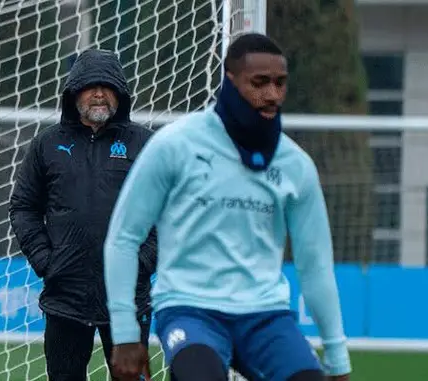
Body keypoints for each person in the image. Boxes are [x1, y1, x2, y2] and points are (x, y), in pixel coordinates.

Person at [103, 33, 351, 381]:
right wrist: (126, 333)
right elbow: (123, 238)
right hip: (190, 310)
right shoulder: (175, 146)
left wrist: (338, 360)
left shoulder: (296, 165)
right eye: (259, 83)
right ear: (230, 81)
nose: (272, 95)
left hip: (266, 315)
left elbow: (316, 266)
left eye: (280, 83)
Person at [9, 48, 157, 381]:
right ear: (74, 92)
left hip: (128, 300)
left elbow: (169, 212)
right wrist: (47, 261)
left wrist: (144, 262)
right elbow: (23, 207)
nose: (100, 93)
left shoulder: (146, 145)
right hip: (66, 298)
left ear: (120, 93)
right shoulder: (47, 144)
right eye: (91, 86)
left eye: (108, 86)